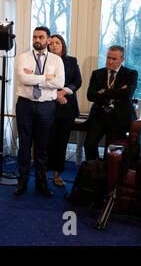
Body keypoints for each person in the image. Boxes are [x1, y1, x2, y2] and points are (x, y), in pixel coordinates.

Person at [14, 26, 65, 197]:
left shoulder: (56, 60)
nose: (37, 40)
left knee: (43, 147)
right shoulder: (23, 57)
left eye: (41, 37)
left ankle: (41, 183)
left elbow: (59, 83)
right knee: (24, 146)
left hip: (46, 106)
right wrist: (45, 77)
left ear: (48, 40)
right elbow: (23, 78)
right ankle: (22, 183)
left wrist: (35, 78)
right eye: (35, 37)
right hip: (25, 105)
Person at [84, 45, 138, 161]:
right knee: (89, 144)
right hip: (99, 115)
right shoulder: (97, 74)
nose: (110, 61)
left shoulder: (130, 74)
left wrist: (104, 92)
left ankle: (109, 176)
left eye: (114, 59)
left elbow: (127, 94)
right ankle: (95, 170)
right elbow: (90, 95)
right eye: (108, 58)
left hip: (119, 117)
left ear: (122, 60)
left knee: (112, 150)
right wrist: (117, 93)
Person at [47, 34, 82, 187]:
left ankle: (57, 174)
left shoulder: (71, 61)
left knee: (61, 142)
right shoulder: (43, 61)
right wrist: (55, 94)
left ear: (63, 45)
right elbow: (41, 82)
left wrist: (63, 92)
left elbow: (77, 81)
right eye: (52, 43)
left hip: (67, 107)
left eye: (57, 43)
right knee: (47, 142)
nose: (54, 45)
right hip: (48, 106)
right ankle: (43, 173)